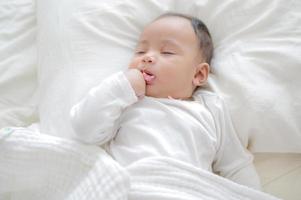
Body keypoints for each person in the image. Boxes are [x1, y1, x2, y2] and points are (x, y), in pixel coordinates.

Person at [70, 13, 261, 190]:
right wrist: (121, 87)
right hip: (132, 187)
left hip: (186, 191)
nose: (147, 57)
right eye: (140, 51)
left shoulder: (210, 108)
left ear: (199, 73)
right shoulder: (126, 102)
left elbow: (236, 166)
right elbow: (84, 129)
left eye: (167, 52)